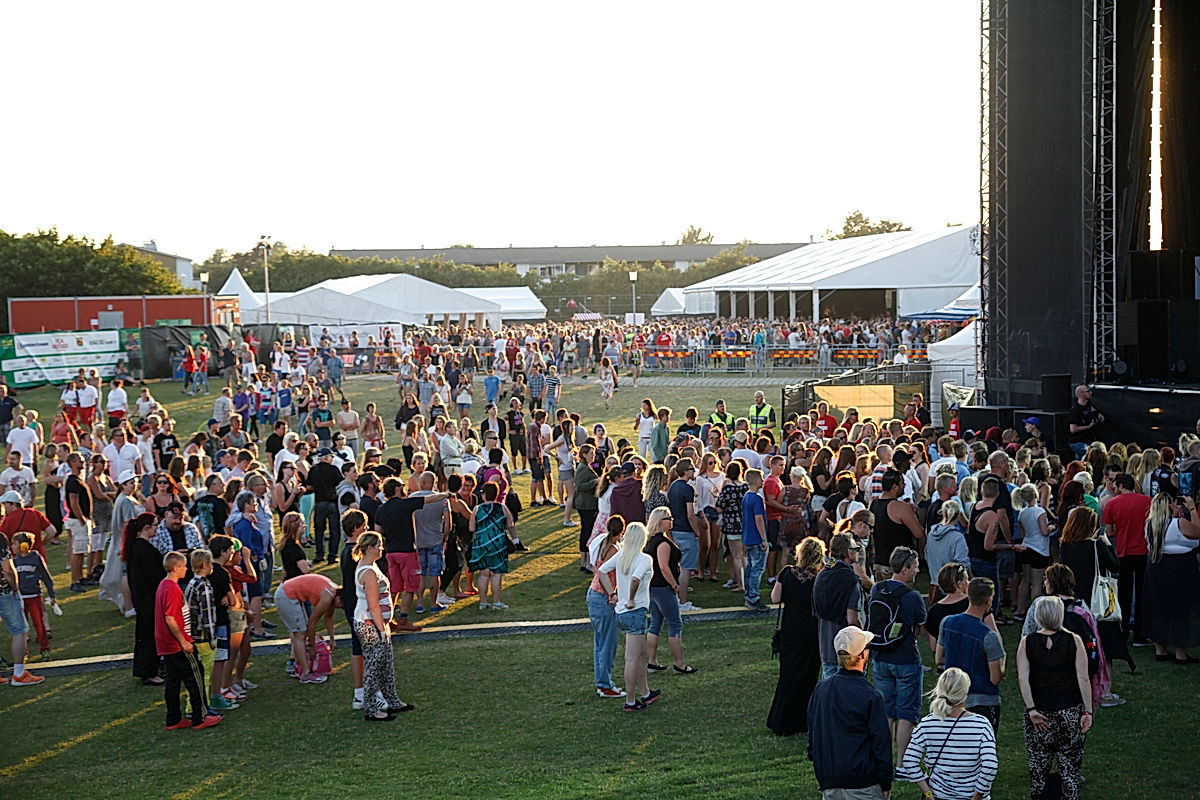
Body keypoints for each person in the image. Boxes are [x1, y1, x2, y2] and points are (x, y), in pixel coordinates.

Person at [1017, 595, 1094, 800]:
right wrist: (1087, 711)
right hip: (1069, 711)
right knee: (1070, 770)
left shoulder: (1027, 642)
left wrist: (1031, 709)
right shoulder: (1074, 640)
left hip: (1039, 713)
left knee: (1038, 769)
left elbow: (1023, 678)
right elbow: (1083, 678)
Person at [806, 625, 893, 799]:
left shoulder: (821, 688)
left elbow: (813, 734)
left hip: (830, 780)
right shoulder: (871, 695)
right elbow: (881, 743)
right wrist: (885, 782)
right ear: (862, 655)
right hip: (863, 783)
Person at [866, 545, 926, 766]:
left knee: (887, 712)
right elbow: (920, 624)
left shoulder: (877, 589)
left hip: (880, 656)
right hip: (906, 659)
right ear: (905, 568)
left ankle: (884, 761)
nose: (917, 571)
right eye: (915, 567)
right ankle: (902, 763)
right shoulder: (913, 596)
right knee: (907, 713)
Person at [899, 667, 999, 800]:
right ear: (965, 692)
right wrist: (978, 795)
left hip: (939, 796)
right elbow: (990, 765)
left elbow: (909, 761)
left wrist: (928, 794)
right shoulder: (982, 725)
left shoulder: (927, 724)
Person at [597, 521, 661, 712]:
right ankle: (631, 701)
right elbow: (635, 579)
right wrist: (631, 598)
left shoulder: (621, 556)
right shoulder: (643, 559)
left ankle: (646, 692)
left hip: (622, 613)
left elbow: (601, 571)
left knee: (640, 655)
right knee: (632, 658)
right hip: (634, 612)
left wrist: (613, 594)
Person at [766, 536, 825, 736]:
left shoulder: (786, 573)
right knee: (808, 677)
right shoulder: (819, 578)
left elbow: (775, 598)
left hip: (790, 631)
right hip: (811, 632)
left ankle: (781, 720)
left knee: (788, 676)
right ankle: (803, 720)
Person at [352, 531, 413, 721]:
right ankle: (371, 709)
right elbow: (373, 605)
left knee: (385, 663)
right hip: (370, 625)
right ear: (369, 548)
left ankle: (392, 699)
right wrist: (380, 629)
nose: (382, 549)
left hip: (377, 624)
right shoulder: (368, 572)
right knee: (373, 666)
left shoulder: (371, 565)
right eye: (378, 545)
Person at [157, 550, 221, 730]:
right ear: (176, 568)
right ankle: (200, 717)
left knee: (173, 681)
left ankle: (173, 718)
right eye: (184, 566)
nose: (186, 569)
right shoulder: (173, 590)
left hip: (166, 644)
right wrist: (183, 641)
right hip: (177, 644)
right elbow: (170, 618)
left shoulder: (163, 585)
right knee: (196, 676)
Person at [937, 577, 1006, 733]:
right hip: (983, 702)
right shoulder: (989, 637)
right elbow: (995, 678)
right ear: (988, 600)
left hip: (952, 699)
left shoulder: (947, 622)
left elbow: (939, 659)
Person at [1142, 492, 1200, 664]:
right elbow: (1197, 532)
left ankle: (1160, 649)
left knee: (1159, 608)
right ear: (1169, 505)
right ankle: (1180, 652)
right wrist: (1191, 508)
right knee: (1181, 609)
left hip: (1157, 567)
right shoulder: (1180, 523)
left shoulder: (1150, 524)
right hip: (1181, 568)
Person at [643, 506, 697, 675]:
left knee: (656, 623)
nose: (672, 520)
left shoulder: (651, 541)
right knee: (675, 623)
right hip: (663, 587)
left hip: (653, 587)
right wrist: (674, 584)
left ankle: (652, 662)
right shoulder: (662, 543)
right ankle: (679, 664)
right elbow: (664, 567)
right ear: (661, 522)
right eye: (669, 518)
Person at [1101, 473, 1152, 644]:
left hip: (1123, 552)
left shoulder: (1112, 504)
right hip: (1143, 551)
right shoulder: (1147, 501)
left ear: (1121, 485)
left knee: (1124, 592)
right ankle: (1140, 633)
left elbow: (1108, 532)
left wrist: (1120, 531)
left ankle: (1123, 632)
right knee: (1141, 592)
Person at [812, 532, 865, 678]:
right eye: (856, 549)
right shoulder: (850, 580)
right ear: (848, 553)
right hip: (847, 650)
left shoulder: (822, 575)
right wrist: (863, 643)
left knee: (830, 695)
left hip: (826, 646)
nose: (858, 552)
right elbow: (853, 619)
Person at [273, 572, 341, 684]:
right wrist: (312, 646)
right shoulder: (328, 596)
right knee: (300, 634)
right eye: (341, 605)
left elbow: (328, 617)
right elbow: (312, 622)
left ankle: (298, 668)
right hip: (286, 595)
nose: (340, 607)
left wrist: (332, 639)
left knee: (299, 633)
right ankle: (306, 674)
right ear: (340, 598)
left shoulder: (333, 591)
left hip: (290, 594)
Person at [587, 515, 626, 698]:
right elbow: (605, 575)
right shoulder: (614, 549)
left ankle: (602, 682)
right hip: (602, 598)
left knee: (600, 643)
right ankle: (604, 684)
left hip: (594, 595)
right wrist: (612, 595)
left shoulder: (601, 542)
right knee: (608, 644)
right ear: (622, 531)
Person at [0, 526, 44, 685]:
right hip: (3, 591)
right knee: (19, 631)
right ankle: (19, 674)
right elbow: (7, 569)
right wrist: (15, 586)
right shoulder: (0, 538)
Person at [468, 481, 515, 610]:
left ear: (484, 495)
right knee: (496, 574)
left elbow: (471, 528)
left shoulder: (477, 509)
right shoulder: (502, 507)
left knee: (483, 574)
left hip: (481, 543)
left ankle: (483, 602)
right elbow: (510, 524)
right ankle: (496, 602)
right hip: (497, 543)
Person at [666, 456, 702, 610]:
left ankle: (675, 599)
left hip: (674, 530)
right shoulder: (687, 488)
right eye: (692, 468)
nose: (694, 471)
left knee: (676, 566)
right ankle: (683, 602)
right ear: (686, 471)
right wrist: (698, 532)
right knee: (686, 567)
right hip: (686, 530)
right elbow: (690, 514)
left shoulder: (673, 486)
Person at [741, 468, 770, 612]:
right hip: (757, 538)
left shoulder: (746, 496)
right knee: (757, 569)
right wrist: (764, 539)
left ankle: (749, 595)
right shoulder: (757, 498)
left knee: (750, 567)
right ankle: (753, 597)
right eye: (762, 479)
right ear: (756, 481)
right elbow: (758, 519)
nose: (763, 481)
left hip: (747, 537)